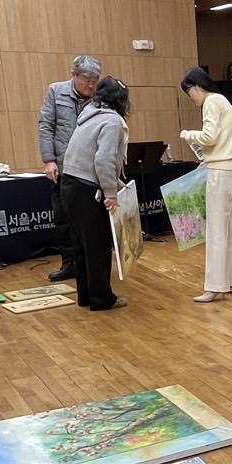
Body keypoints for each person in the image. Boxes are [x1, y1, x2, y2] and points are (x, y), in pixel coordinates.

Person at [60, 76, 129, 312]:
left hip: (69, 185)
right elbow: (104, 159)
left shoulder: (88, 114)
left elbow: (89, 157)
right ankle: (102, 298)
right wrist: (111, 193)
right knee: (98, 246)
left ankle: (86, 296)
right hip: (87, 190)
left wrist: (115, 182)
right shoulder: (112, 121)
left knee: (82, 246)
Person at [179, 67, 232, 303]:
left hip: (220, 172)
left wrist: (188, 134)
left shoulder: (211, 101)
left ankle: (215, 286)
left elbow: (209, 137)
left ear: (196, 86)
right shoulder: (223, 101)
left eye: (189, 92)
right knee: (231, 228)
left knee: (217, 230)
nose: (191, 98)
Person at [38, 54, 102, 281]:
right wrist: (49, 160)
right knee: (63, 218)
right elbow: (46, 126)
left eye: (95, 80)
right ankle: (69, 263)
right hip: (63, 168)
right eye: (86, 80)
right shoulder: (56, 92)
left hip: (90, 171)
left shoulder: (99, 99)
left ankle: (91, 265)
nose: (91, 85)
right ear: (73, 75)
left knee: (89, 221)